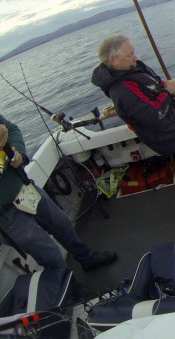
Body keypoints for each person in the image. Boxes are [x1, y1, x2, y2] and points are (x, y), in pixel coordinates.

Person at [91, 35, 175, 204]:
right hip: (165, 135)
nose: (135, 57)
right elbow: (154, 116)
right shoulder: (122, 91)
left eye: (133, 52)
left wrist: (166, 86)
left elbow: (153, 86)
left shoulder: (131, 68)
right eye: (129, 55)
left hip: (173, 123)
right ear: (113, 61)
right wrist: (167, 92)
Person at [0, 114, 117, 271]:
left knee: (63, 225)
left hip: (26, 189)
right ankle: (71, 290)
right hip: (6, 215)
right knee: (49, 253)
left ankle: (87, 258)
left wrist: (19, 153)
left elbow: (12, 129)